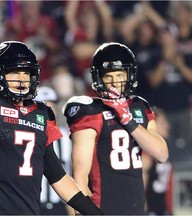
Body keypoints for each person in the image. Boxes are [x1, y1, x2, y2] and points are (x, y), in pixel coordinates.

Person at [0, 1, 102, 215]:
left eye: (26, 73)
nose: (22, 79)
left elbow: (57, 177)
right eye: (14, 73)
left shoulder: (41, 113)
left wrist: (92, 212)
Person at [63, 42, 169, 215]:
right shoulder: (89, 111)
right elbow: (79, 176)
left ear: (129, 75)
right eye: (108, 77)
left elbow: (161, 154)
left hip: (135, 208)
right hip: (102, 208)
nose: (114, 83)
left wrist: (127, 118)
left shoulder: (139, 106)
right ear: (99, 78)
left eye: (119, 75)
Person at [35, 86, 73, 215]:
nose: (48, 111)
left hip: (60, 206)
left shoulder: (68, 138)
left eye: (51, 106)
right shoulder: (24, 134)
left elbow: (74, 173)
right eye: (44, 106)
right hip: (33, 205)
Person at [142, 107, 173, 215]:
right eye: (163, 122)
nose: (167, 126)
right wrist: (143, 207)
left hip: (162, 208)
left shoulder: (164, 149)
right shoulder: (146, 152)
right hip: (150, 209)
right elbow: (142, 179)